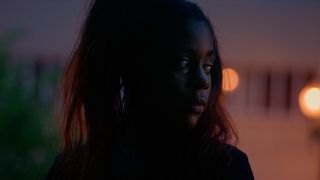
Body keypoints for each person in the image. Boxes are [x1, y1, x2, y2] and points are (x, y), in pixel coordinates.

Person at [47, 0, 254, 179]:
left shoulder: (227, 169)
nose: (203, 81)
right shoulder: (75, 172)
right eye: (183, 63)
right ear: (137, 67)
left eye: (207, 66)